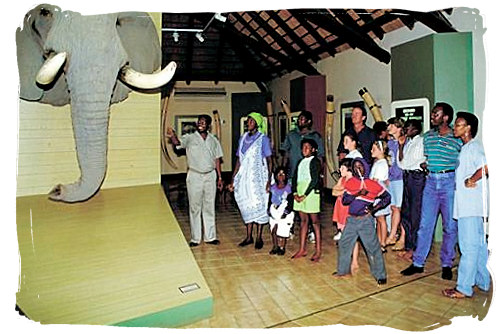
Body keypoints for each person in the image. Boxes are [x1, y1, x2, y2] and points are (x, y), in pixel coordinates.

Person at [401, 103, 462, 280]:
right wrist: (428, 166)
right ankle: (418, 263)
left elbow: (460, 160)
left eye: (436, 113)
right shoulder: (428, 137)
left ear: (446, 118)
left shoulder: (456, 138)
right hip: (430, 183)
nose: (432, 116)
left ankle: (446, 264)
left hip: (449, 183)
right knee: (424, 225)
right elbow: (427, 158)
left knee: (450, 226)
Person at [442, 112, 489, 298]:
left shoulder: (473, 147)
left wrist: (471, 178)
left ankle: (463, 288)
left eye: (459, 125)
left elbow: (486, 166)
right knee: (478, 246)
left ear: (468, 128)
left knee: (468, 247)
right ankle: (483, 281)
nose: (455, 128)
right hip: (472, 207)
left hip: (470, 207)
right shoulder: (466, 148)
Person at [166, 115, 224, 247]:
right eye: (199, 122)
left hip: (210, 176)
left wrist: (220, 177)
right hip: (194, 176)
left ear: (208, 125)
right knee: (194, 207)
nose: (200, 124)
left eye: (203, 122)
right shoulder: (190, 137)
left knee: (209, 207)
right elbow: (177, 144)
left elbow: (217, 160)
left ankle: (210, 237)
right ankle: (195, 238)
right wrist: (173, 135)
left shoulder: (214, 140)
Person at [332, 158, 391, 285]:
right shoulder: (351, 182)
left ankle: (380, 275)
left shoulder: (373, 184)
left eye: (361, 166)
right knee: (344, 244)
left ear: (366, 167)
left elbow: (387, 197)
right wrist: (357, 193)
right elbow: (345, 201)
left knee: (373, 248)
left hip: (366, 221)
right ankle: (343, 271)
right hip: (351, 220)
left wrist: (373, 209)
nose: (358, 168)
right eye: (355, 166)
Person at [230, 112, 273, 250]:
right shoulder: (242, 139)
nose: (248, 123)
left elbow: (269, 160)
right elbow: (239, 160)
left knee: (259, 205)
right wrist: (233, 178)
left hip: (259, 178)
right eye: (247, 120)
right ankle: (249, 236)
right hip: (244, 178)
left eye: (251, 121)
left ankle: (259, 237)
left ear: (257, 123)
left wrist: (268, 180)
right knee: (246, 205)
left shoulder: (263, 139)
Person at [281, 110, 324, 244]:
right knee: (291, 203)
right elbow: (286, 153)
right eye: (299, 119)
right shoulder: (291, 135)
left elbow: (321, 156)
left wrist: (319, 174)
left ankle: (312, 230)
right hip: (293, 174)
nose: (300, 121)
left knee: (311, 207)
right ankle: (291, 227)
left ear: (309, 121)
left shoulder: (315, 136)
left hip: (310, 177)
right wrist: (282, 169)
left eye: (303, 119)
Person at [396, 119, 426, 261]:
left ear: (415, 129)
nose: (405, 130)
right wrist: (401, 146)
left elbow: (410, 162)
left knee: (415, 214)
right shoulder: (408, 143)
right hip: (407, 177)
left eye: (407, 127)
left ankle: (416, 248)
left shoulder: (421, 142)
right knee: (406, 213)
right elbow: (401, 164)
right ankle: (408, 246)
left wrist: (403, 148)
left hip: (417, 178)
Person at [291, 138, 322, 262]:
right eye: (303, 147)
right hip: (299, 191)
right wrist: (295, 193)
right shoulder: (300, 162)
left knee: (315, 222)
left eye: (307, 147)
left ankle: (318, 250)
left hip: (310, 193)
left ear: (313, 150)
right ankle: (302, 249)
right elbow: (294, 178)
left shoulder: (315, 161)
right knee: (303, 221)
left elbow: (314, 180)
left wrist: (305, 195)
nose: (304, 149)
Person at [385, 117, 406, 250]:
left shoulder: (404, 142)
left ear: (398, 127)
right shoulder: (390, 143)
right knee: (393, 208)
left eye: (392, 125)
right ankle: (392, 234)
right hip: (391, 178)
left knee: (400, 208)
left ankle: (402, 237)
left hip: (400, 179)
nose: (389, 127)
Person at [370, 140, 391, 253]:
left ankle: (382, 242)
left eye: (374, 149)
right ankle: (378, 241)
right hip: (377, 191)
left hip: (379, 193)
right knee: (378, 218)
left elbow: (375, 181)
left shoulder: (381, 163)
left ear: (380, 150)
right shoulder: (378, 162)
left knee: (381, 219)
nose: (371, 151)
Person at [268, 166, 294, 256]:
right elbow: (269, 199)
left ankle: (282, 247)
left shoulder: (288, 188)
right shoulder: (273, 187)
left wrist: (287, 211)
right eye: (279, 174)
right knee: (274, 229)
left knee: (283, 230)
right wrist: (269, 209)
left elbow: (291, 201)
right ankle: (275, 246)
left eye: (283, 174)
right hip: (274, 209)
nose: (281, 176)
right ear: (275, 176)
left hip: (284, 211)